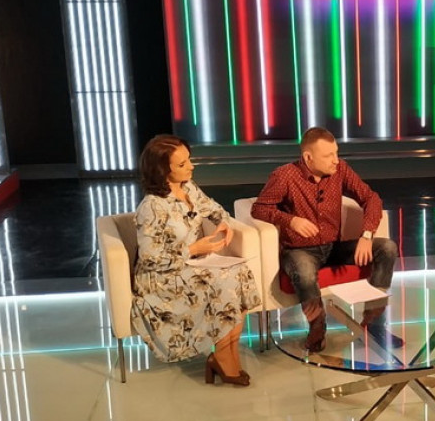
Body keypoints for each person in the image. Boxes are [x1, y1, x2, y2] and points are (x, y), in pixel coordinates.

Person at [251, 127, 399, 352]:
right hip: (299, 250)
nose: (336, 160)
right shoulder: (285, 175)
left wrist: (367, 235)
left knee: (387, 247)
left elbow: (371, 198)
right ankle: (317, 327)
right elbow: (259, 209)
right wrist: (291, 220)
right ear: (308, 157)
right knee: (303, 270)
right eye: (328, 155)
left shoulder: (340, 170)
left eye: (336, 153)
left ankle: (374, 323)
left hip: (333, 248)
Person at [131, 135, 262, 386]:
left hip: (191, 266)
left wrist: (224, 223)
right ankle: (222, 357)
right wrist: (192, 249)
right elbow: (150, 258)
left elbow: (213, 208)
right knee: (224, 281)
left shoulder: (188, 188)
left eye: (189, 160)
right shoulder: (152, 207)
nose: (191, 167)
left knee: (241, 272)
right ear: (162, 170)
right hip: (161, 278)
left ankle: (227, 351)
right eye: (182, 164)